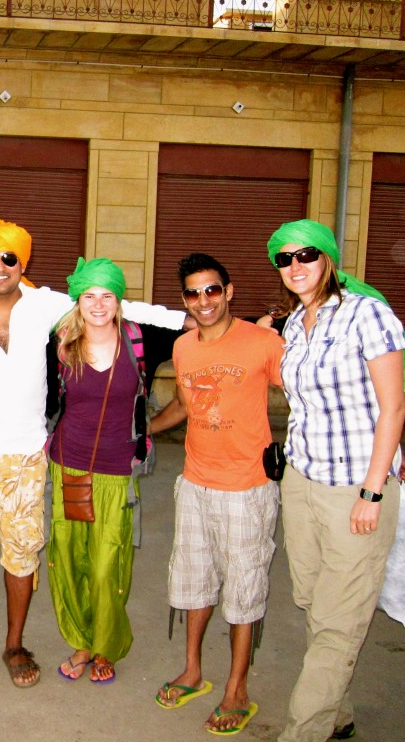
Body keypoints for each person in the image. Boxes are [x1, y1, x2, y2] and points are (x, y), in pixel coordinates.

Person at [0, 207, 185, 688]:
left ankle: (15, 644)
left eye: (9, 257)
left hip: (27, 454)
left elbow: (116, 306)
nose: (0, 266)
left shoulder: (46, 304)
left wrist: (190, 318)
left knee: (23, 553)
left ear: (23, 261)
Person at [267, 220, 405, 742]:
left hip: (356, 488)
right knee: (312, 599)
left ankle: (303, 732)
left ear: (328, 257)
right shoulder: (292, 326)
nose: (295, 266)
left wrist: (374, 490)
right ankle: (338, 713)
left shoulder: (366, 314)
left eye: (306, 254)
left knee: (336, 619)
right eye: (284, 259)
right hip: (303, 481)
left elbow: (394, 404)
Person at [149, 253, 284, 735]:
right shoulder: (185, 347)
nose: (203, 300)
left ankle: (237, 689)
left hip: (248, 486)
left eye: (211, 290)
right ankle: (193, 671)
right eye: (192, 292)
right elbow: (185, 405)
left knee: (243, 588)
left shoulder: (264, 342)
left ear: (229, 292)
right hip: (195, 481)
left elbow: (309, 393)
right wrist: (143, 431)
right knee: (193, 580)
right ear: (184, 299)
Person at [43, 257, 181, 688]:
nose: (98, 305)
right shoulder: (59, 343)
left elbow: (207, 330)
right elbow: (33, 392)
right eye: (89, 296)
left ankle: (108, 642)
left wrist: (148, 431)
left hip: (117, 470)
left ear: (120, 299)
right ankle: (83, 641)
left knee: (108, 563)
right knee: (71, 558)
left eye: (107, 295)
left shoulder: (141, 340)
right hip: (70, 466)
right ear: (77, 301)